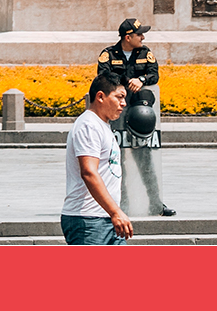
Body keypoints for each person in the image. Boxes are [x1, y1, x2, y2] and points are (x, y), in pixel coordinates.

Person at [97, 17, 175, 218]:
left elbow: (154, 74)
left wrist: (141, 79)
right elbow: (103, 78)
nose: (143, 37)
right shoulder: (108, 55)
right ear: (127, 37)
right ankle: (120, 204)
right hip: (116, 115)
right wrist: (125, 82)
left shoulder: (145, 53)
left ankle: (156, 203)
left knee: (146, 159)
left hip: (140, 114)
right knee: (117, 160)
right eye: (139, 34)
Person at [62, 76, 133, 245]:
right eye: (119, 97)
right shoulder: (89, 125)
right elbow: (88, 172)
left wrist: (114, 213)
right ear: (100, 97)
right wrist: (115, 211)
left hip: (105, 217)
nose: (124, 103)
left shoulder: (102, 125)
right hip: (88, 220)